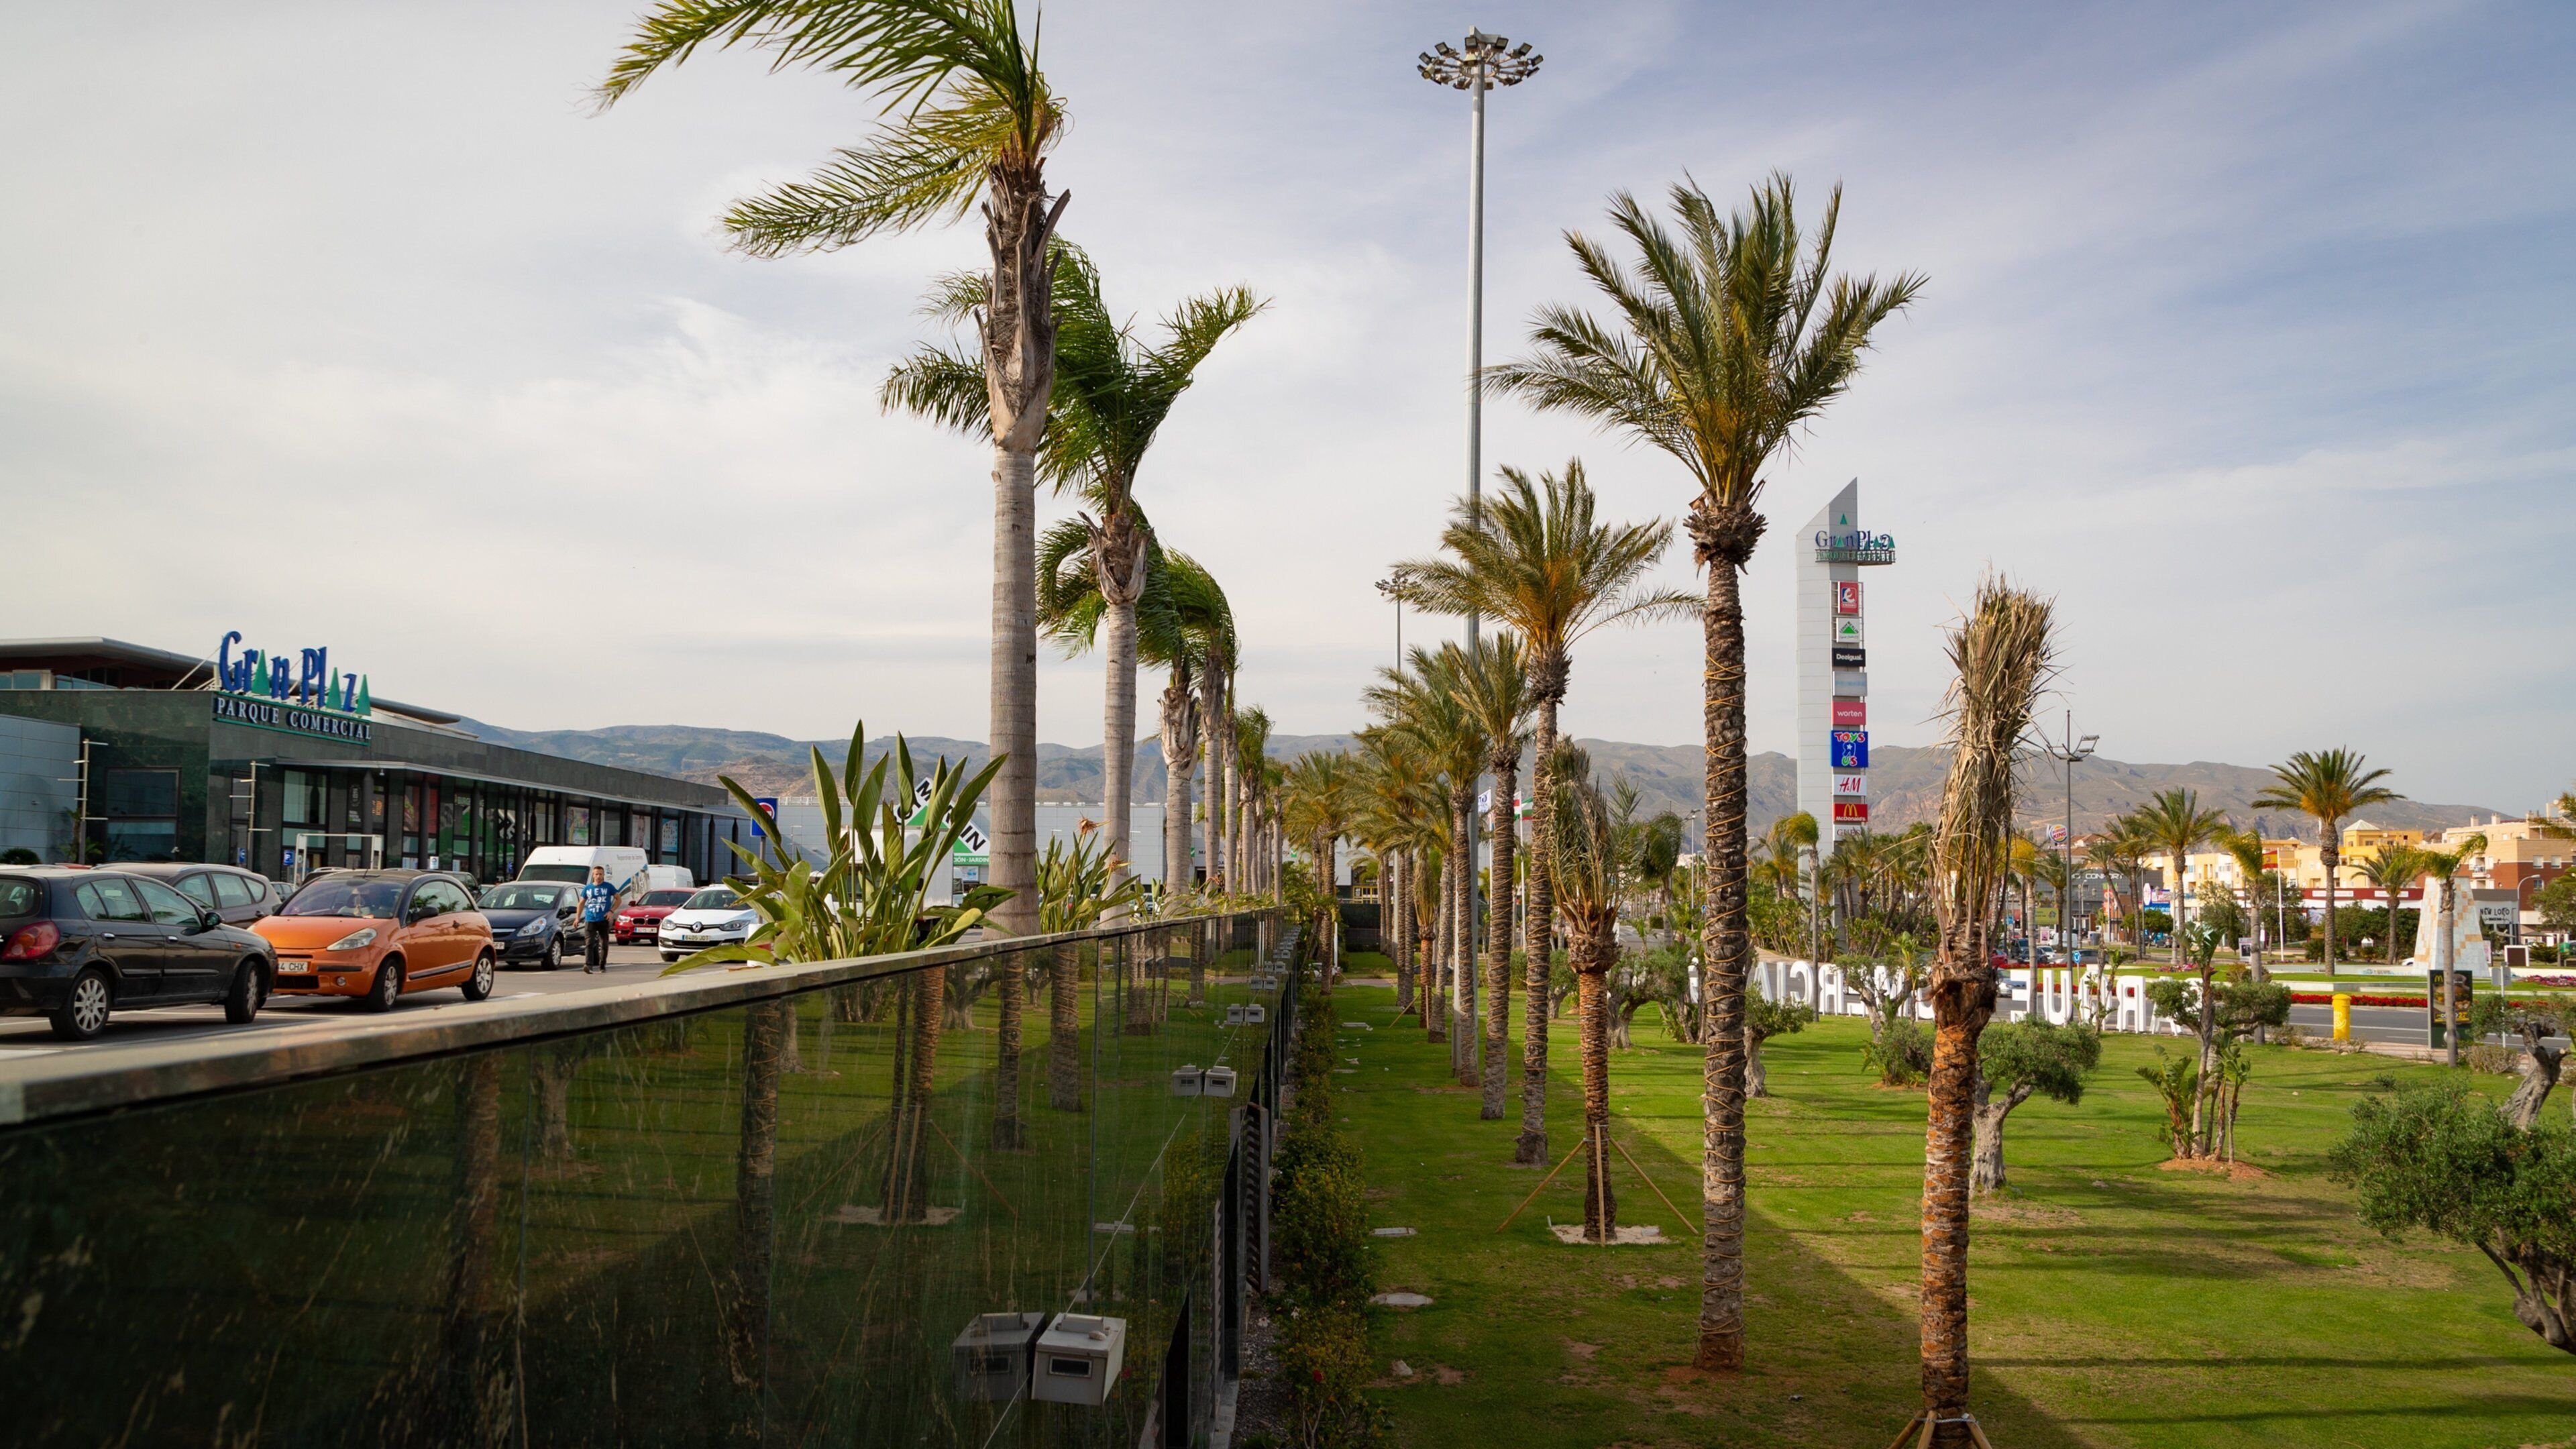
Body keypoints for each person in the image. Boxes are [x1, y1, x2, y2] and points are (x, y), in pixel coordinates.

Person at [579, 865, 616, 973]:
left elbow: (618, 899)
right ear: (593, 875)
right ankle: (588, 965)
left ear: (603, 875)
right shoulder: (588, 888)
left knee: (604, 943)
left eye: (600, 874)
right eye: (596, 874)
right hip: (590, 919)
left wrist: (611, 911)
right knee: (589, 943)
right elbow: (581, 903)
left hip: (603, 919)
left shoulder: (609, 887)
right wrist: (577, 918)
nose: (598, 876)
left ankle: (602, 965)